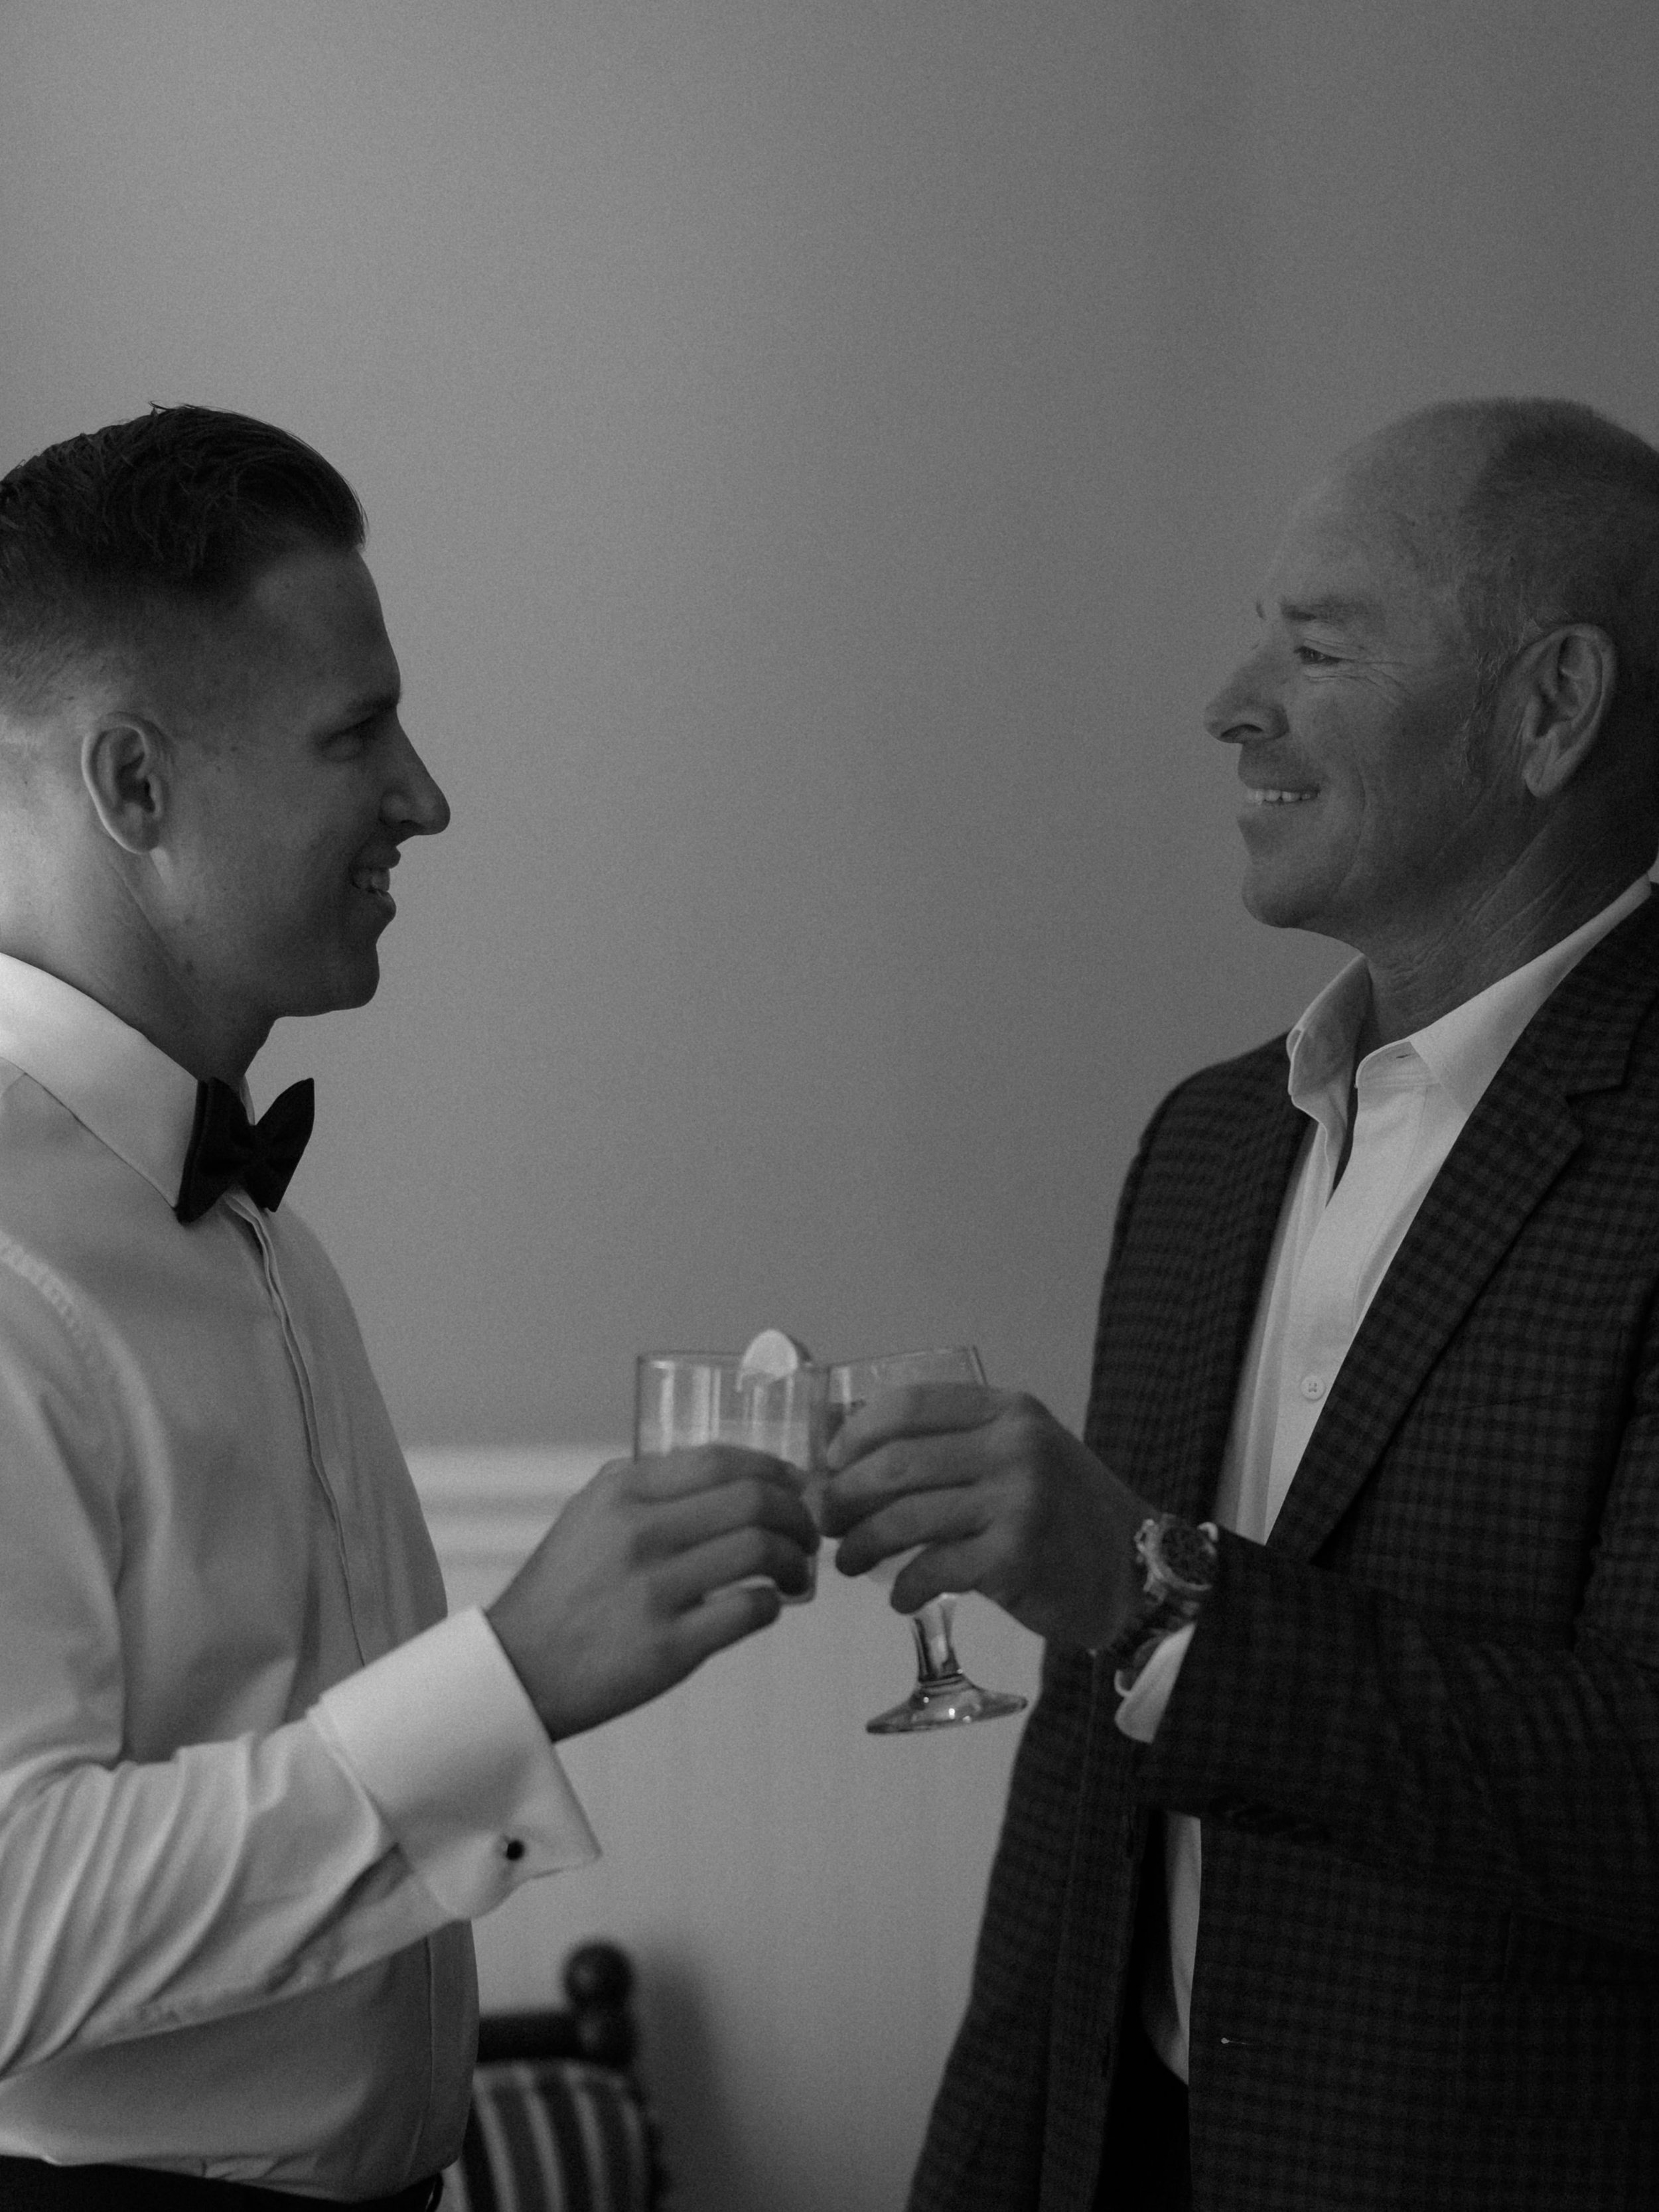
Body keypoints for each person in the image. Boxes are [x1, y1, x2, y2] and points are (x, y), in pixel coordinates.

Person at [820, 396, 1659, 2210]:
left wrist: (1151, 1598)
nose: (1228, 704)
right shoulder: (1209, 1149)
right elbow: (1083, 1778)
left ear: (1551, 708)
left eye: (1318, 647)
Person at [0, 405, 818, 2208]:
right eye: (353, 734)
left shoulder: (252, 1229)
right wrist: (512, 1681)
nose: (424, 797)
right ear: (134, 788)